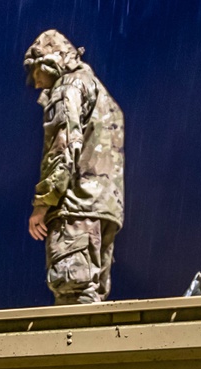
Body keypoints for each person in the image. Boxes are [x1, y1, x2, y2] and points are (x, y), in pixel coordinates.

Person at [24, 29, 124, 304]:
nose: (35, 82)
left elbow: (62, 150)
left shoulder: (68, 87)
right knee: (92, 297)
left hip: (76, 208)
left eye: (35, 72)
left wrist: (42, 204)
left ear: (49, 62)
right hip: (104, 208)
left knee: (73, 293)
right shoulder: (98, 90)